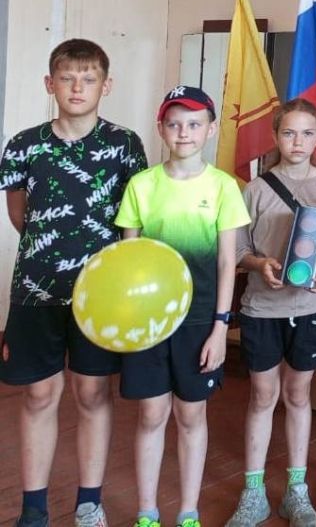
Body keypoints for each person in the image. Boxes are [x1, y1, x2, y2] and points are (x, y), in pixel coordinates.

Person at [0, 39, 148, 527]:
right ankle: (34, 509)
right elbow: (19, 214)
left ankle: (89, 502)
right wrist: (52, 253)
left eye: (88, 79)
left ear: (106, 85)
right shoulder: (25, 144)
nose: (77, 87)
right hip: (35, 291)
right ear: (50, 84)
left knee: (92, 394)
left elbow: (133, 217)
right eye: (67, 78)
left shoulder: (125, 144)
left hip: (101, 296)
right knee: (39, 396)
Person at [115, 86, 251, 527]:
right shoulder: (141, 185)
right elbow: (129, 260)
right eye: (174, 124)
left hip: (199, 321)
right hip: (150, 320)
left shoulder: (224, 187)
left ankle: (188, 512)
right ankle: (147, 513)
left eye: (194, 124)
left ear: (210, 129)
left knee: (191, 414)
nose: (184, 132)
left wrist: (220, 327)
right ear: (161, 129)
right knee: (151, 413)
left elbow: (228, 262)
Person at [227, 99, 316, 527]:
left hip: (311, 307)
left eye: (307, 133)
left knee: (298, 395)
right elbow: (239, 249)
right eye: (288, 133)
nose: (297, 142)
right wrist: (259, 264)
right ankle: (253, 491)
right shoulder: (256, 190)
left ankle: (296, 490)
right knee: (262, 396)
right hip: (263, 308)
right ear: (275, 136)